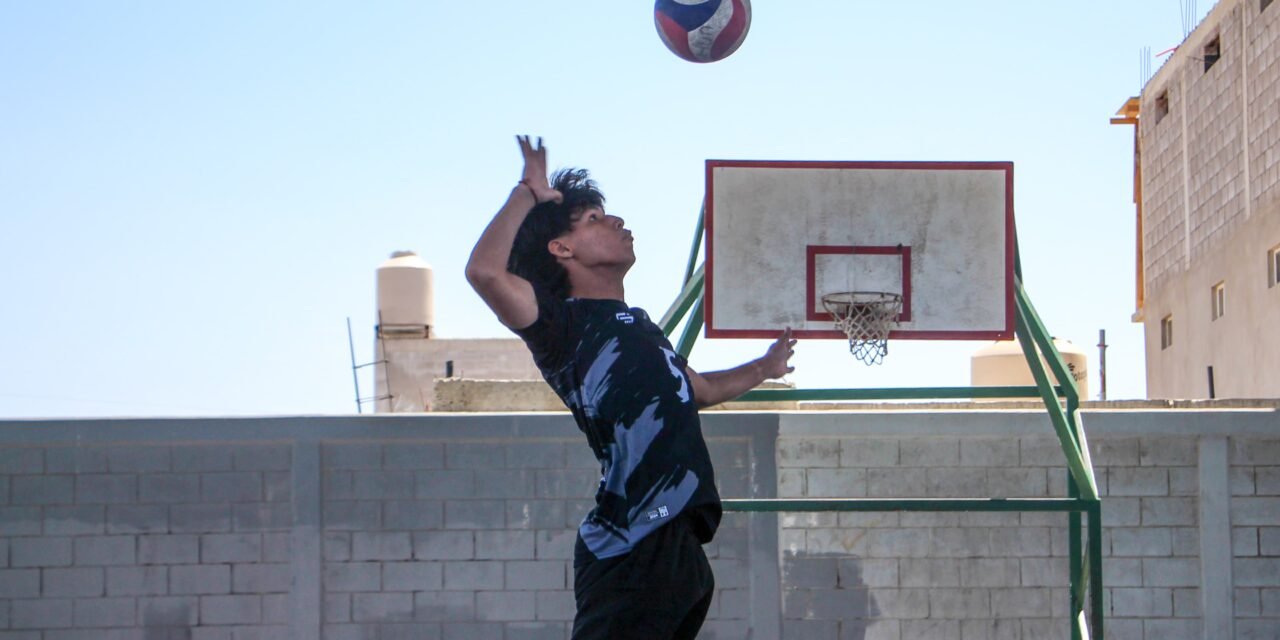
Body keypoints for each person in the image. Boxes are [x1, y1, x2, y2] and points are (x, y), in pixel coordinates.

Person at [465, 136, 795, 640]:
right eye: (595, 219)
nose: (616, 222)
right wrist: (528, 193)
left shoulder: (639, 327)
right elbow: (484, 272)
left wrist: (764, 367)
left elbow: (699, 390)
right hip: (629, 542)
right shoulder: (560, 327)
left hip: (679, 544)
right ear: (561, 248)